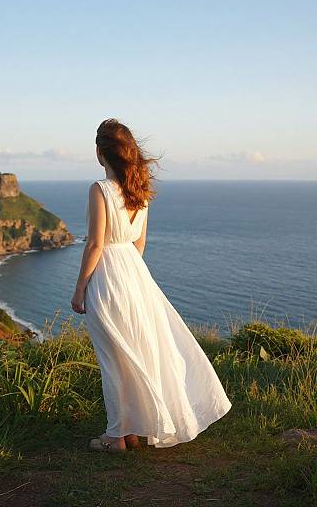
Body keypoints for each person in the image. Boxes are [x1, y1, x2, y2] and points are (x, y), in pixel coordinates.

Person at [71, 118, 232, 452]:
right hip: (134, 274)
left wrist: (80, 287)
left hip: (108, 275)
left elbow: (94, 245)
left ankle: (116, 437)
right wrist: (131, 275)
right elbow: (140, 244)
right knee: (135, 353)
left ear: (102, 153)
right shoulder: (139, 191)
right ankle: (131, 430)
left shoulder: (99, 190)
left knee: (113, 359)